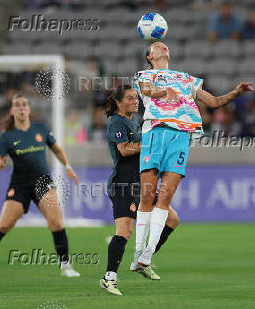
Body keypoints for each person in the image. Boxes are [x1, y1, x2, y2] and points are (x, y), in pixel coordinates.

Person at [131, 41, 254, 276]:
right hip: (155, 131)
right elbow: (146, 91)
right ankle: (138, 253)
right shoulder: (145, 74)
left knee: (164, 198)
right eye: (157, 45)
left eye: (164, 43)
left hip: (181, 136)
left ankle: (146, 256)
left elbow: (214, 102)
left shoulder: (186, 78)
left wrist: (236, 93)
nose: (163, 46)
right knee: (148, 194)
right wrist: (163, 91)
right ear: (150, 56)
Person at [0, 94, 80, 278]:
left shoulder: (41, 129)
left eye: (24, 104)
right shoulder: (7, 136)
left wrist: (68, 167)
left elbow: (56, 149)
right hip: (20, 185)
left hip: (43, 182)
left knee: (56, 222)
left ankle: (66, 266)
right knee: (4, 225)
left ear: (29, 109)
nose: (22, 107)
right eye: (17, 105)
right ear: (12, 110)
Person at [100, 85, 180, 296]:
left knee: (172, 219)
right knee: (124, 231)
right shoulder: (116, 122)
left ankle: (144, 260)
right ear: (118, 102)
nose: (135, 101)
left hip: (141, 185)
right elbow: (124, 150)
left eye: (136, 98)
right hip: (123, 185)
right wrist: (148, 143)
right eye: (129, 98)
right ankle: (109, 278)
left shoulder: (134, 122)